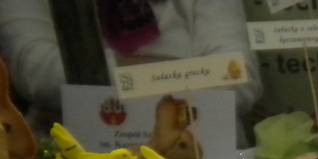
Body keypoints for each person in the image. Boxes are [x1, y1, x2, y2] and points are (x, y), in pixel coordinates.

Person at [0, 0, 261, 137]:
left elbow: (240, 78)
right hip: (80, 155)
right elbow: (37, 73)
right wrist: (186, 75)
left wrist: (121, 80)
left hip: (204, 148)